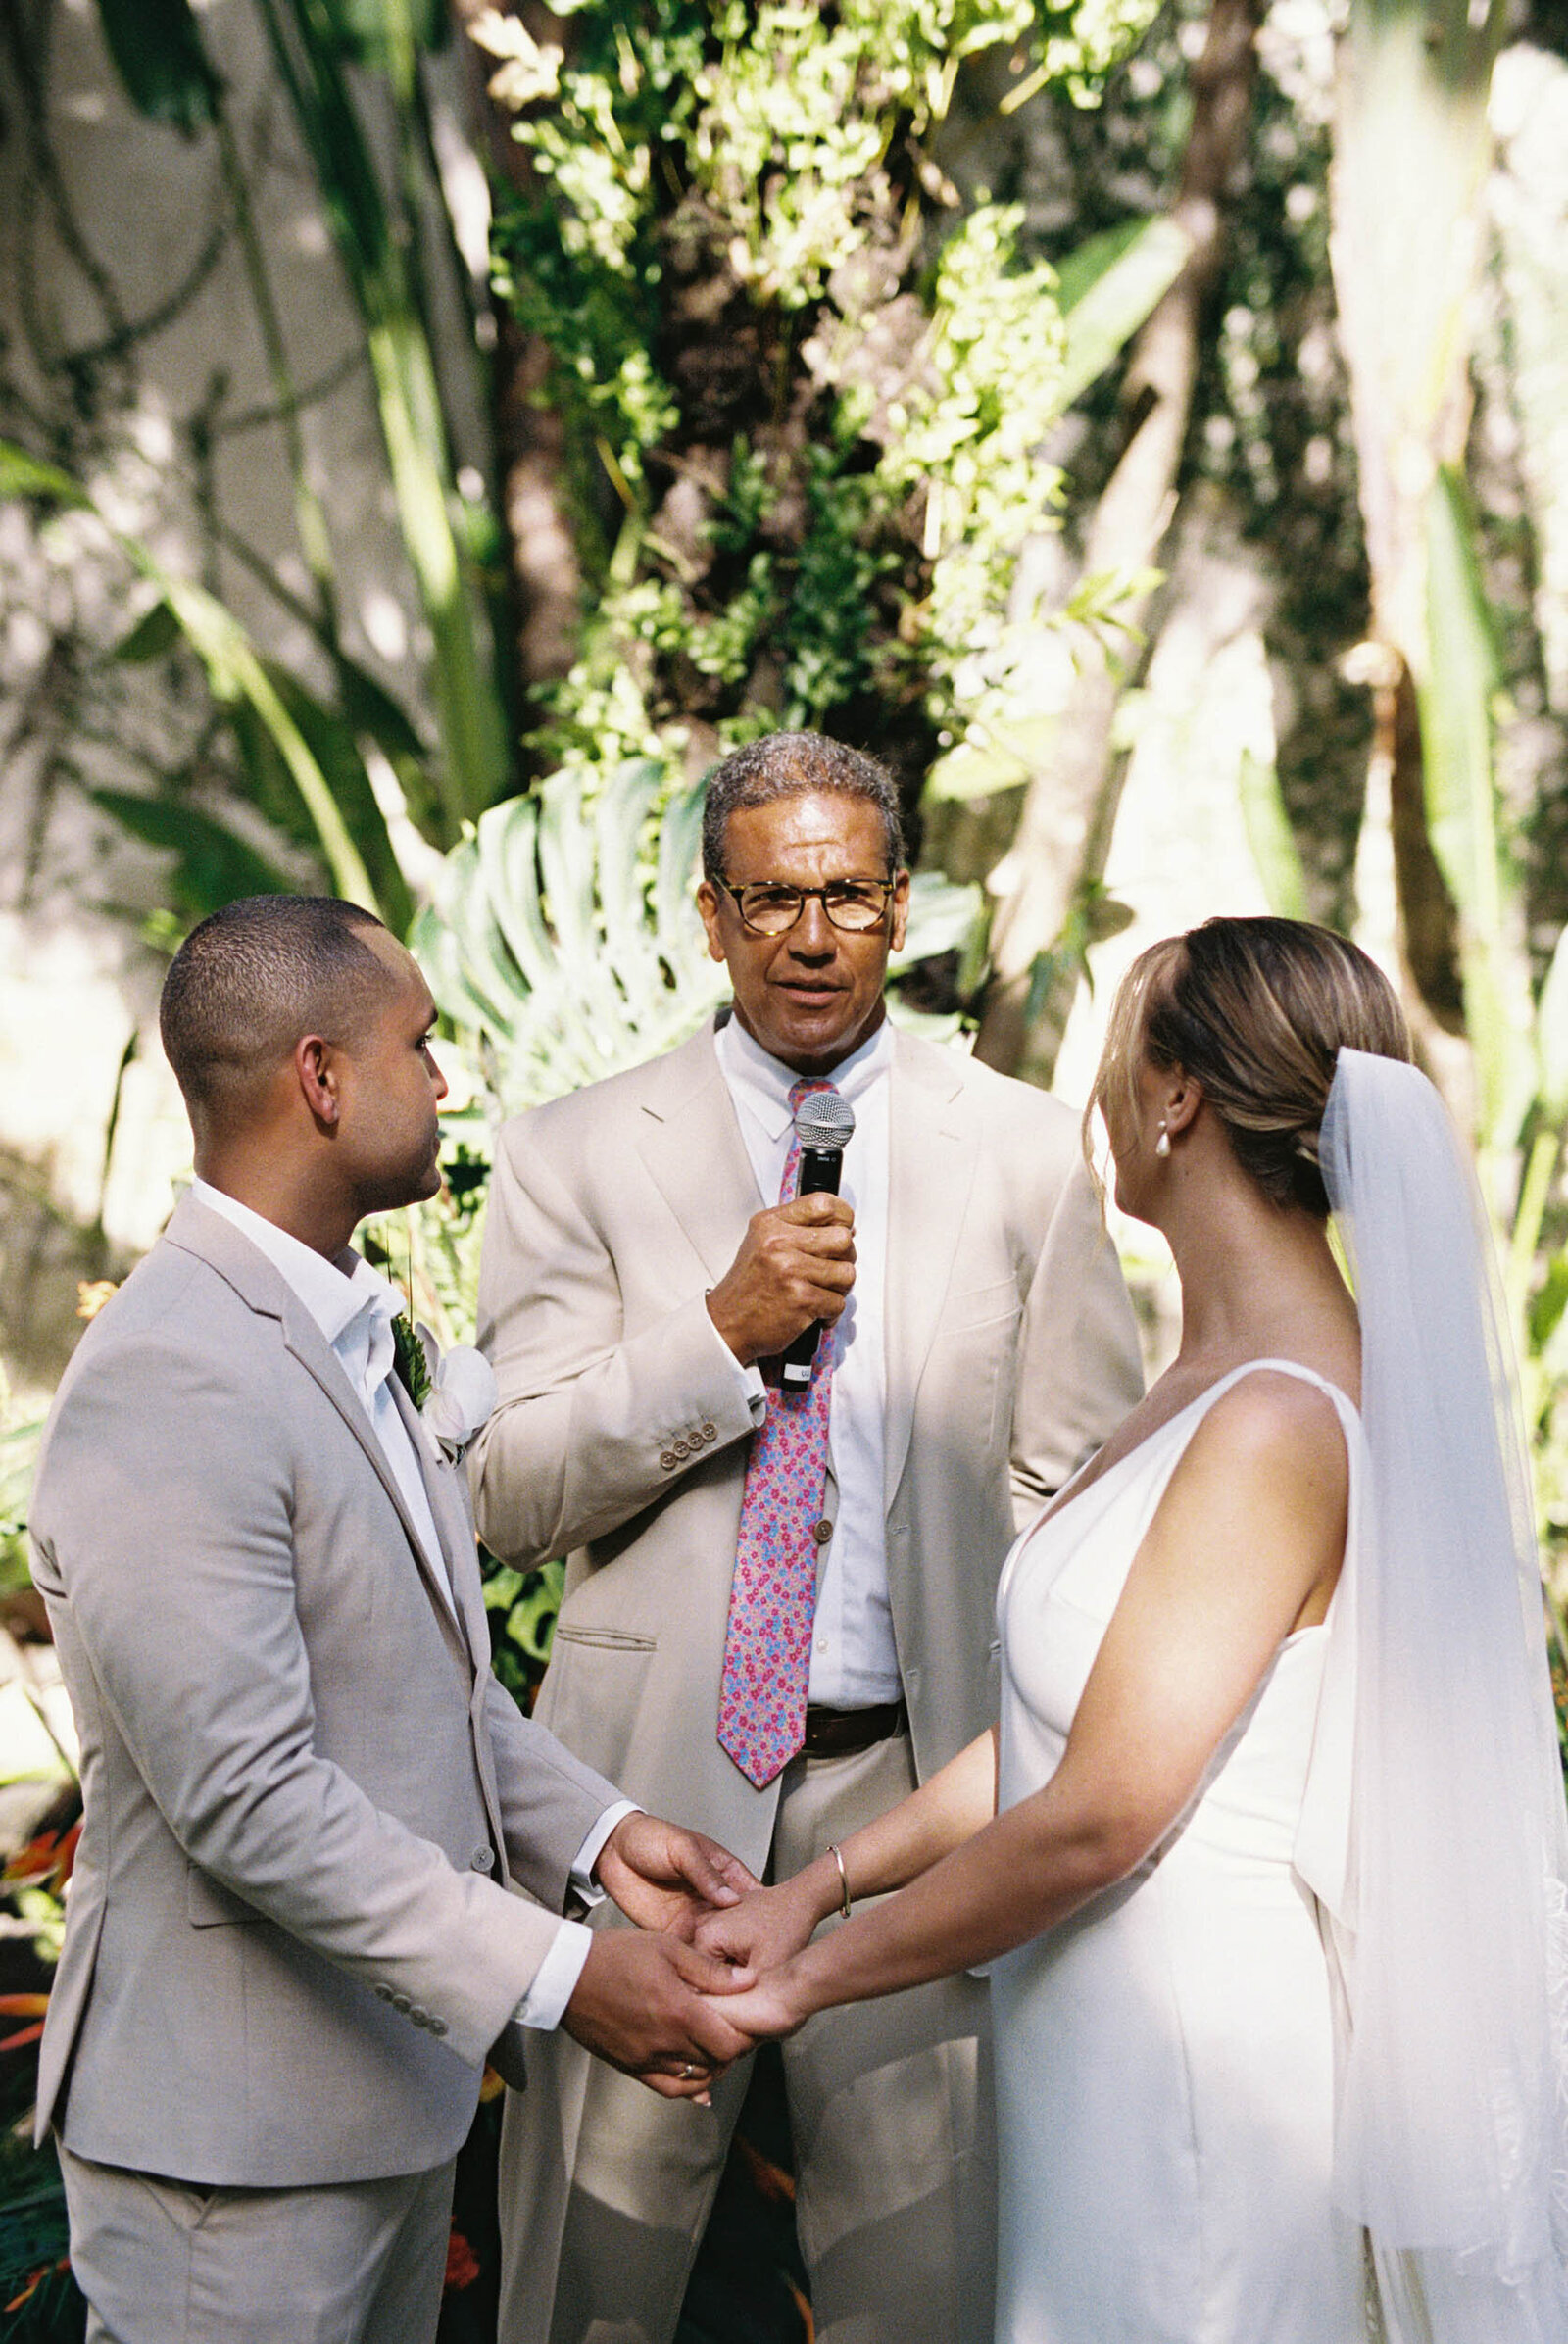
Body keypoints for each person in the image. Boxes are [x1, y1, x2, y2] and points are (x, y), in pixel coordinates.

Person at [703, 913, 1568, 2344]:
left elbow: (1099, 1816)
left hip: (1195, 2069)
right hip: (1091, 2034)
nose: (1099, 1089)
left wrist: (803, 1985)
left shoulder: (1280, 1421)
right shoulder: (1204, 1379)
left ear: (1178, 1097)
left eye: (1119, 1048)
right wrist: (818, 1886)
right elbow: (1065, 1730)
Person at [470, 731, 1144, 2344]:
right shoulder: (574, 1153)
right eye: (771, 902)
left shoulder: (1028, 1153)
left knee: (928, 2291)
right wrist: (717, 1336)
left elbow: (1085, 1498)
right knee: (590, 2285)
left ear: (900, 903)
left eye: (847, 894)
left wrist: (1015, 1776)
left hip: (915, 1799)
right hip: (644, 1800)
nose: (813, 938)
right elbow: (503, 1494)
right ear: (711, 918)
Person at [28, 895, 759, 2344]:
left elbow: (415, 1675)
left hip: (381, 2097)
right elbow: (248, 1795)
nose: (446, 1082)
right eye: (418, 1045)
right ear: (319, 1076)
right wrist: (564, 1978)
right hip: (229, 2152)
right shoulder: (172, 1371)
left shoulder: (341, 1323)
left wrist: (604, 1836)